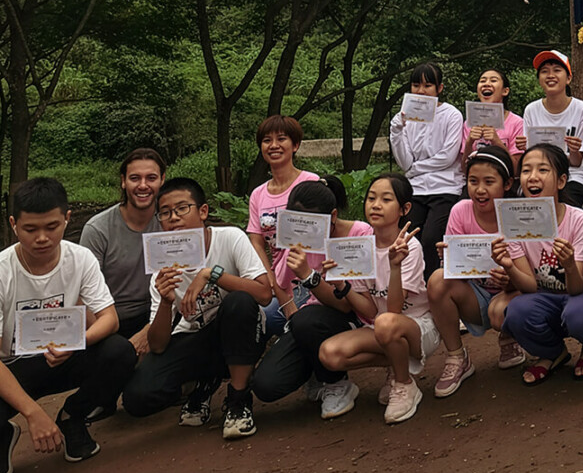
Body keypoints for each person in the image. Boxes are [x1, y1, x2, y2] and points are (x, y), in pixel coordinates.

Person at [1, 178, 135, 471]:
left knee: (119, 352)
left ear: (67, 219)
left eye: (51, 227)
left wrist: (76, 343)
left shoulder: (80, 258)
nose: (42, 238)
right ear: (14, 224)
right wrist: (33, 412)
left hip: (64, 355)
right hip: (11, 368)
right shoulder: (2, 271)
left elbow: (109, 318)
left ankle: (73, 417)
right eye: (30, 229)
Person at [122, 178, 272, 439]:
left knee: (239, 301)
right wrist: (166, 301)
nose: (174, 218)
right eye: (165, 213)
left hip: (240, 330)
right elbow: (157, 345)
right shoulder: (162, 265)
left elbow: (263, 294)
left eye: (182, 208)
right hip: (194, 338)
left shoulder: (230, 238)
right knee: (138, 397)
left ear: (203, 211)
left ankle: (238, 399)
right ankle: (203, 383)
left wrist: (211, 274)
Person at [316, 174, 441, 425]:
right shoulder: (361, 247)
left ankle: (404, 384)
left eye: (386, 199)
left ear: (404, 209)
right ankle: (397, 364)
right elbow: (371, 311)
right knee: (330, 354)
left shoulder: (409, 247)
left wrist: (395, 266)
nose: (376, 205)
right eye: (371, 198)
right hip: (381, 325)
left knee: (386, 322)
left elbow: (393, 309)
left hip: (418, 327)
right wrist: (341, 284)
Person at [251, 177, 371, 419]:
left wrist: (308, 276)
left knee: (307, 320)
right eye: (298, 222)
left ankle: (336, 383)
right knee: (266, 385)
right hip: (311, 320)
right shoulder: (298, 240)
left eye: (313, 224)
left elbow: (347, 305)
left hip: (353, 317)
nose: (305, 230)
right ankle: (317, 367)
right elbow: (281, 284)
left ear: (333, 216)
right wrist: (290, 313)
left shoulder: (359, 233)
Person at [492, 144, 583, 384]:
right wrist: (509, 266)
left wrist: (569, 264)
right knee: (517, 311)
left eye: (543, 170)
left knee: (579, 314)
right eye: (526, 170)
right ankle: (553, 352)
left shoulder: (578, 219)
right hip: (543, 295)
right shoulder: (514, 223)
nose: (533, 177)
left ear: (562, 181)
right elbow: (530, 287)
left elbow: (576, 287)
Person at [428, 146, 523, 398]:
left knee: (508, 305)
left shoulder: (518, 214)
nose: (480, 190)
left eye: (489, 182)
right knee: (437, 280)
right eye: (473, 181)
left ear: (507, 184)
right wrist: (449, 259)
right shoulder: (460, 210)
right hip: (476, 293)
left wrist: (511, 280)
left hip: (514, 295)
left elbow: (532, 272)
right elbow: (454, 271)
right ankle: (457, 357)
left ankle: (509, 337)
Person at [79, 148, 165, 358]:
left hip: (160, 313)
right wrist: (113, 339)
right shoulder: (98, 229)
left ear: (162, 180)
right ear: (123, 181)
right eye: (135, 178)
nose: (143, 185)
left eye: (151, 178)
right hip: (110, 320)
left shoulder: (170, 223)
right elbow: (82, 296)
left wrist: (148, 331)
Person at [245, 115, 318, 335]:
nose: (274, 145)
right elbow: (256, 243)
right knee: (247, 316)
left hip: (312, 281)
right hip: (278, 284)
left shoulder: (311, 183)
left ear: (295, 145)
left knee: (277, 322)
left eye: (282, 139)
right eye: (267, 140)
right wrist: (271, 282)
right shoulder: (258, 195)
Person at [390, 62, 464, 278]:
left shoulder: (452, 115)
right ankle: (407, 284)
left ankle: (433, 283)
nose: (421, 91)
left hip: (445, 187)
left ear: (439, 88)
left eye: (427, 85)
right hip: (416, 189)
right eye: (416, 85)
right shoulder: (406, 117)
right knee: (407, 237)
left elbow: (448, 157)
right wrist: (396, 131)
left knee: (431, 238)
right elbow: (405, 162)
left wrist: (414, 170)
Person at [516, 50, 583, 210]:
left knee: (565, 207)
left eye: (557, 70)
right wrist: (525, 148)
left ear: (569, 78)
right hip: (539, 173)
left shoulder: (581, 110)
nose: (550, 75)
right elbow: (531, 156)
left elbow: (576, 162)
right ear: (539, 79)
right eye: (545, 71)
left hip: (573, 175)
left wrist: (574, 150)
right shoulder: (531, 110)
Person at [461, 68, 525, 173]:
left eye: (493, 80)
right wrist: (469, 142)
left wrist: (497, 142)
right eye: (482, 81)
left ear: (505, 91)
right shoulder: (469, 123)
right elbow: (464, 169)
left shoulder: (517, 123)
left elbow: (516, 170)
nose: (486, 84)